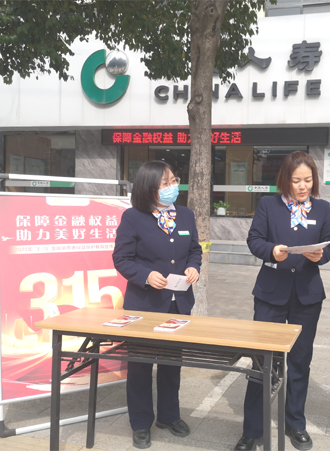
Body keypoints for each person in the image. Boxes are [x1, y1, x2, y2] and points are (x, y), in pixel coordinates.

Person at [234, 151, 330, 451]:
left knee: (300, 362)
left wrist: (321, 255)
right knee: (262, 361)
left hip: (307, 296)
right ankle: (252, 430)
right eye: (296, 180)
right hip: (271, 294)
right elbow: (254, 240)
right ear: (285, 180)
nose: (303, 186)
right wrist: (271, 251)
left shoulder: (323, 208)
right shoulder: (269, 205)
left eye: (308, 180)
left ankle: (295, 423)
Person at [113, 161, 202, 449]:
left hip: (178, 304)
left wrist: (194, 267)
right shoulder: (133, 217)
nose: (172, 187)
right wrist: (145, 276)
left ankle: (169, 416)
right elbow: (121, 259)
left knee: (172, 364)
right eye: (165, 183)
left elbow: (194, 250)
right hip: (145, 305)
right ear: (148, 187)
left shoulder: (186, 215)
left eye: (173, 180)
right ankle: (140, 423)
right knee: (140, 366)